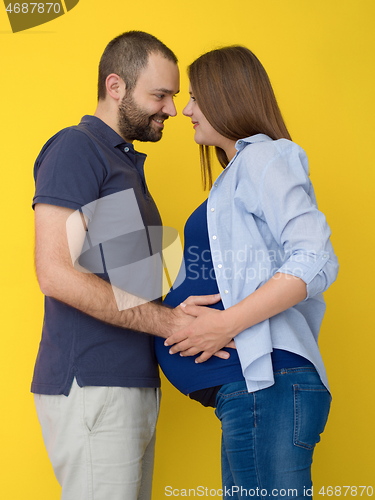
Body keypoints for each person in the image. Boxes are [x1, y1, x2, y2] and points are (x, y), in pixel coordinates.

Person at [31, 31, 222, 500]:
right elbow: (54, 272)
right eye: (160, 95)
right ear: (115, 86)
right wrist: (171, 321)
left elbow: (133, 283)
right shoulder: (75, 149)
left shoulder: (125, 167)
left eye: (174, 97)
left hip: (130, 385)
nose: (172, 110)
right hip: (95, 383)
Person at [155, 46, 339, 499]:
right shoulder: (235, 174)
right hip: (251, 394)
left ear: (226, 95)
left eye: (196, 96)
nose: (185, 109)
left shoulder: (266, 158)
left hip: (267, 386)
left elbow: (314, 257)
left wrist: (223, 324)